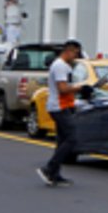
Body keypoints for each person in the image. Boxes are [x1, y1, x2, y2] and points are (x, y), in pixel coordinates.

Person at [37, 39, 83, 187]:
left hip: (63, 106)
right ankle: (49, 168)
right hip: (59, 107)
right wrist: (80, 88)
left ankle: (54, 174)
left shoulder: (63, 66)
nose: (76, 57)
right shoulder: (60, 66)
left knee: (62, 140)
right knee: (72, 138)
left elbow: (66, 88)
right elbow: (62, 89)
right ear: (68, 51)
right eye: (75, 53)